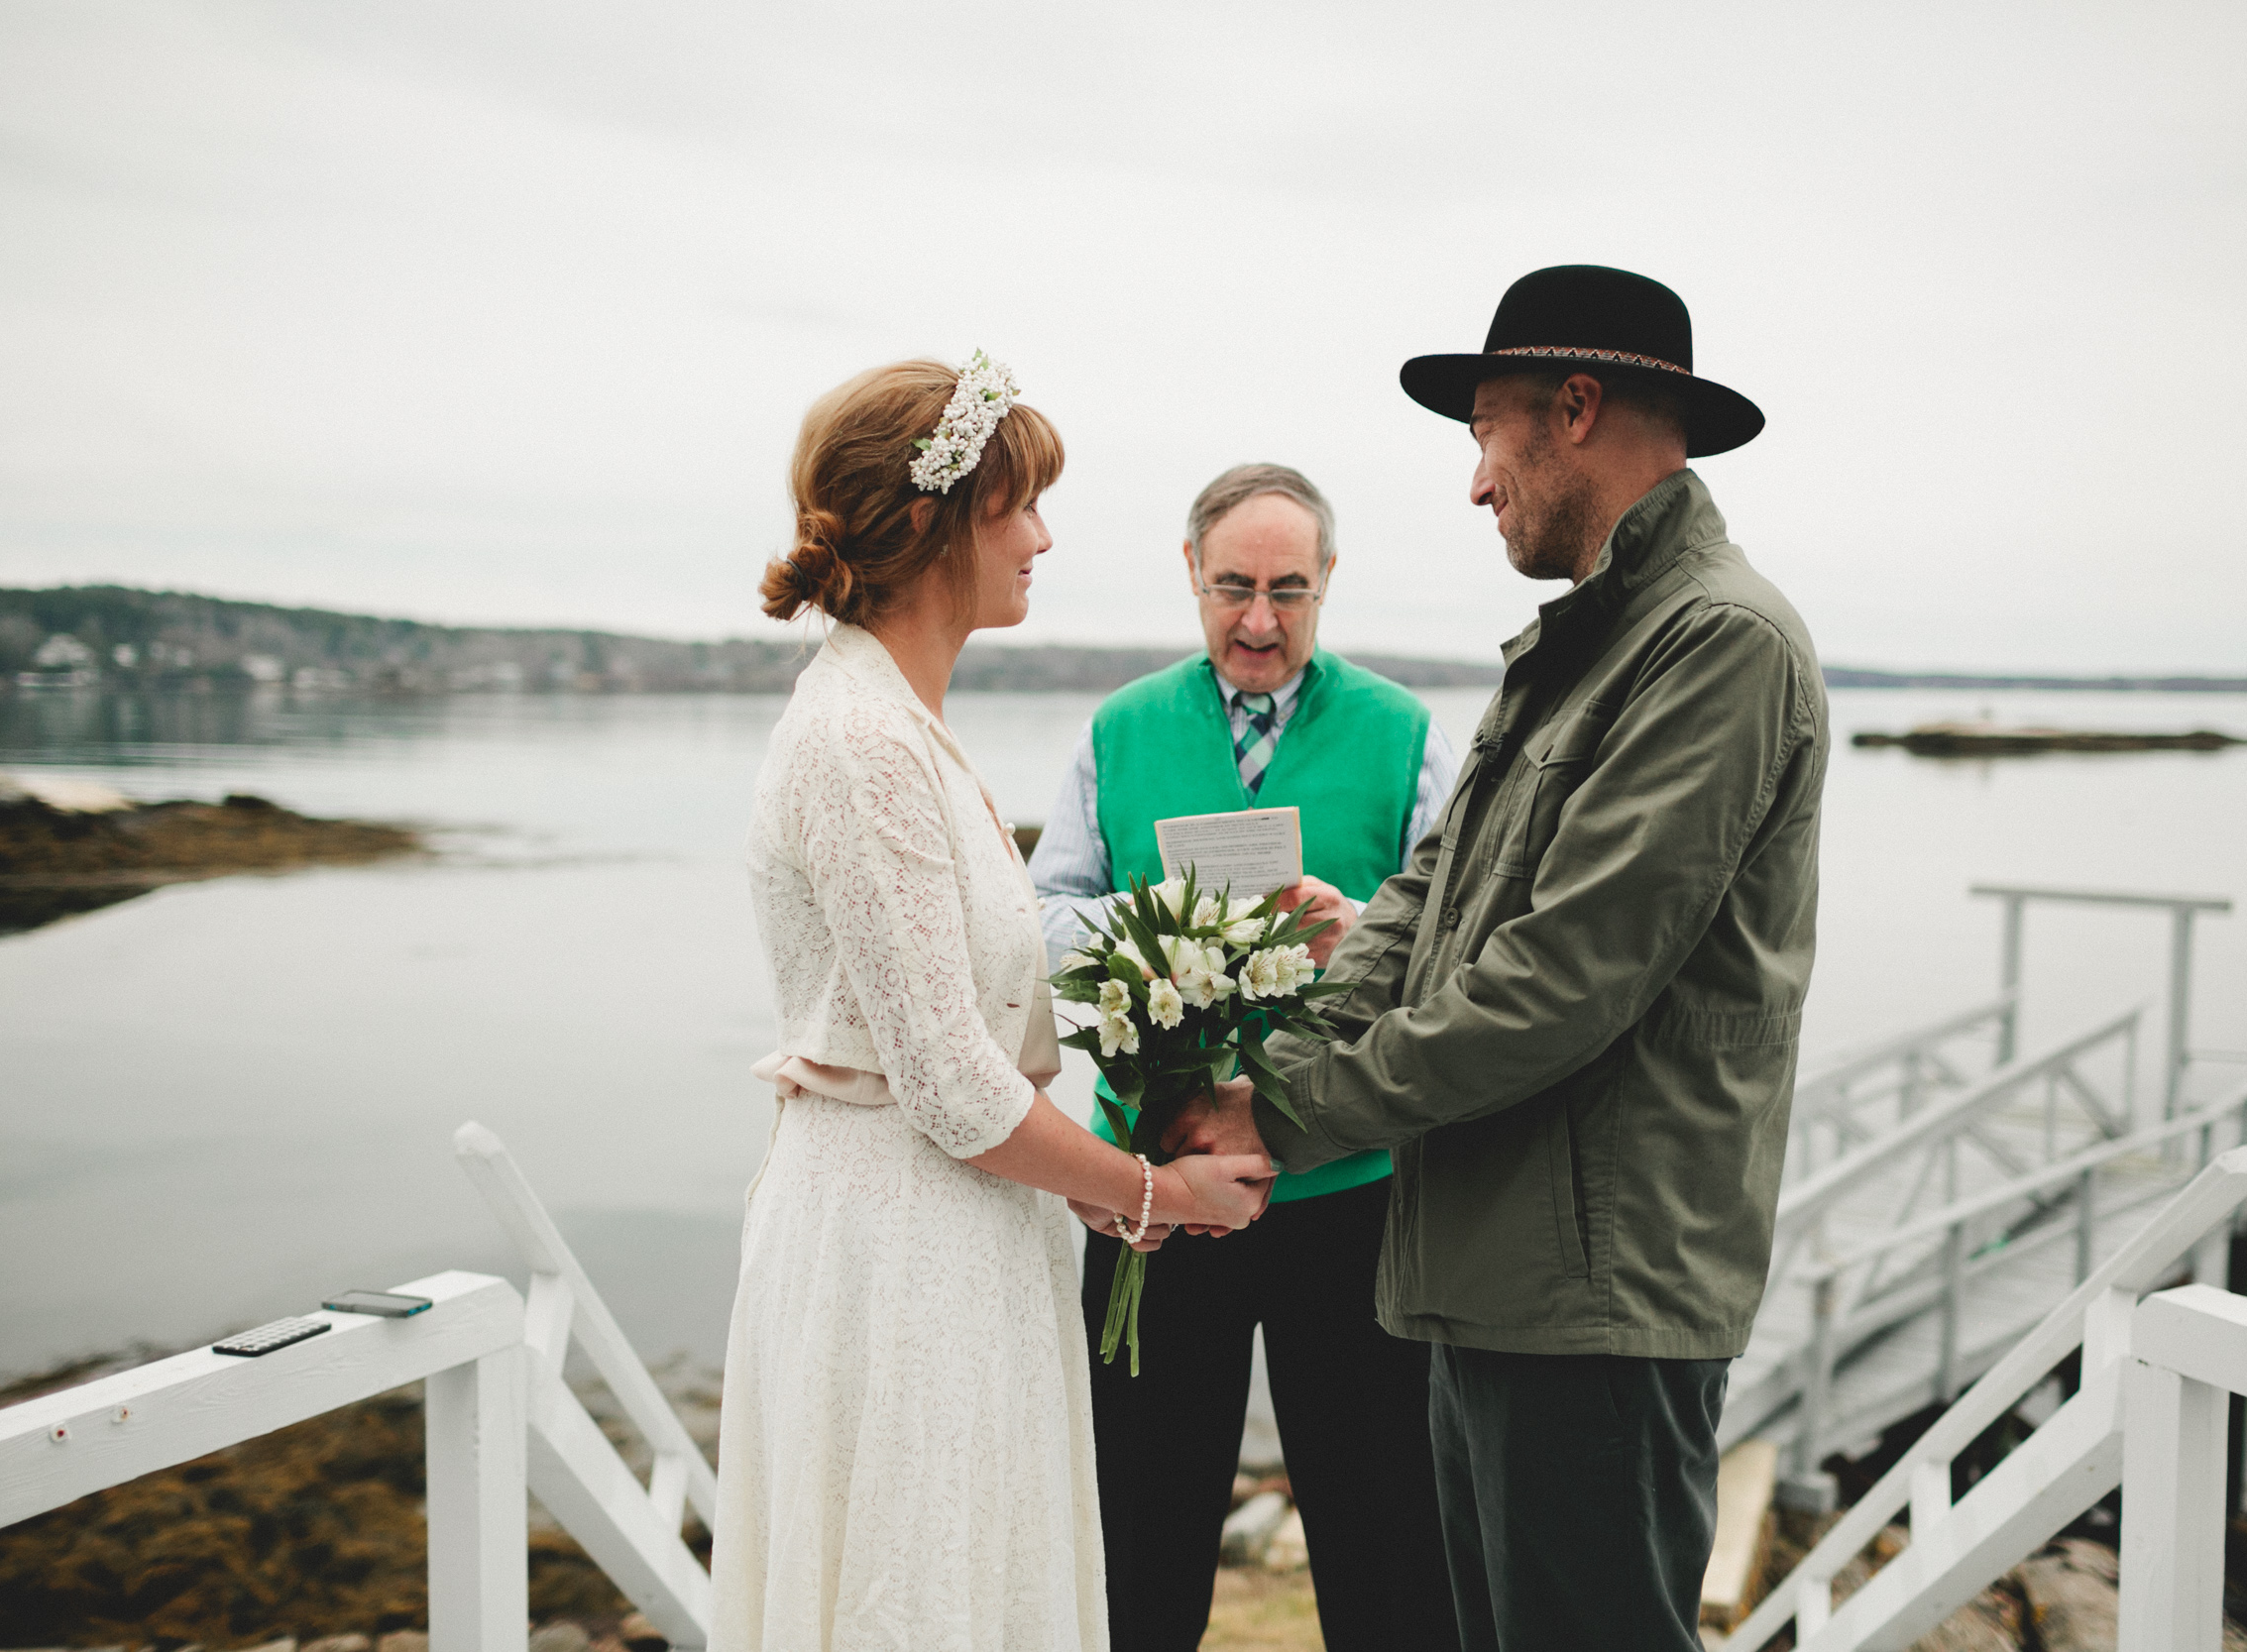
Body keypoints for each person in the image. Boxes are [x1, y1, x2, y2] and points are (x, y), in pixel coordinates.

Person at [1171, 267, 1829, 1652]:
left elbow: (1556, 986)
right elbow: (1421, 904)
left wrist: (1275, 1118)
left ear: (1574, 407)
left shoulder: (1715, 644)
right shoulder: (1576, 645)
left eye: (1485, 431)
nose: (1476, 483)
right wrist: (1278, 1067)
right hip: (1487, 1270)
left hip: (1595, 1296)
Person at [712, 355, 1275, 1652]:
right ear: (935, 522)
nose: (1042, 534)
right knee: (915, 1599)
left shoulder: (902, 726)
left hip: (962, 1239)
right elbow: (955, 1083)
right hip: (895, 1257)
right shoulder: (859, 742)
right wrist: (1152, 1189)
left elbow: (967, 1037)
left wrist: (1072, 1182)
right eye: (1019, 503)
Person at [1028, 461, 1463, 1652]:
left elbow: (1459, 944)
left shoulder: (1407, 732)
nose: (1258, 620)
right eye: (1232, 587)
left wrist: (1358, 924)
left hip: (1351, 1193)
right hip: (1155, 1197)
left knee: (1382, 1524)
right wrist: (1161, 926)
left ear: (1327, 583)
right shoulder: (1117, 729)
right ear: (1190, 574)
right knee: (1137, 1516)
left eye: (1287, 589)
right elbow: (1040, 911)